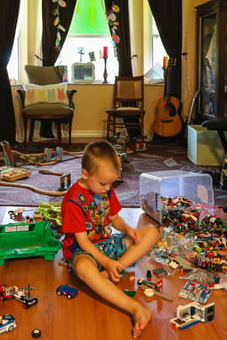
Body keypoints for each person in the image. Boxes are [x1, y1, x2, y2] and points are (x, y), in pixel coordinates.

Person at [60, 140, 160, 338]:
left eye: (111, 184)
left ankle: (111, 272)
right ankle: (134, 308)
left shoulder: (104, 189)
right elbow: (83, 242)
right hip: (83, 252)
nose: (107, 188)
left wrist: (129, 229)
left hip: (107, 245)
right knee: (82, 268)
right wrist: (106, 262)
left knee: (152, 232)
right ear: (85, 174)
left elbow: (114, 218)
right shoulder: (73, 200)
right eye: (103, 184)